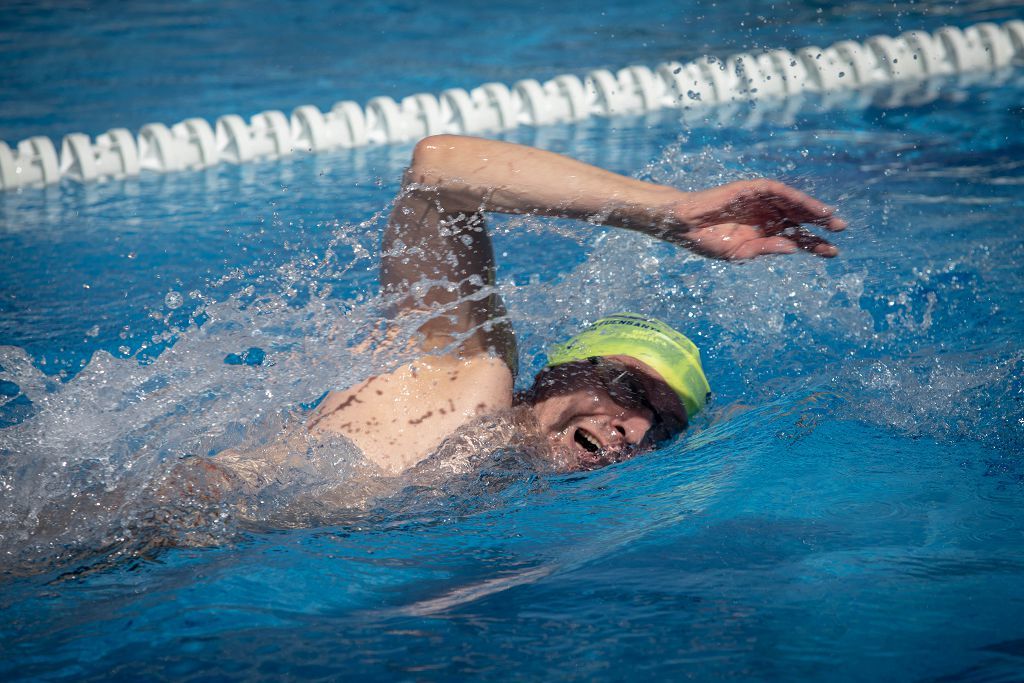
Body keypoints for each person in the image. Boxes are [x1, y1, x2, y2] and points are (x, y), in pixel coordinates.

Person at [301, 134, 846, 475]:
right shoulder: (466, 383)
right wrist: (665, 213)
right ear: (555, 376)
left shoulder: (499, 485)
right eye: (632, 390)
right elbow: (438, 172)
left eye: (664, 426)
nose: (633, 428)